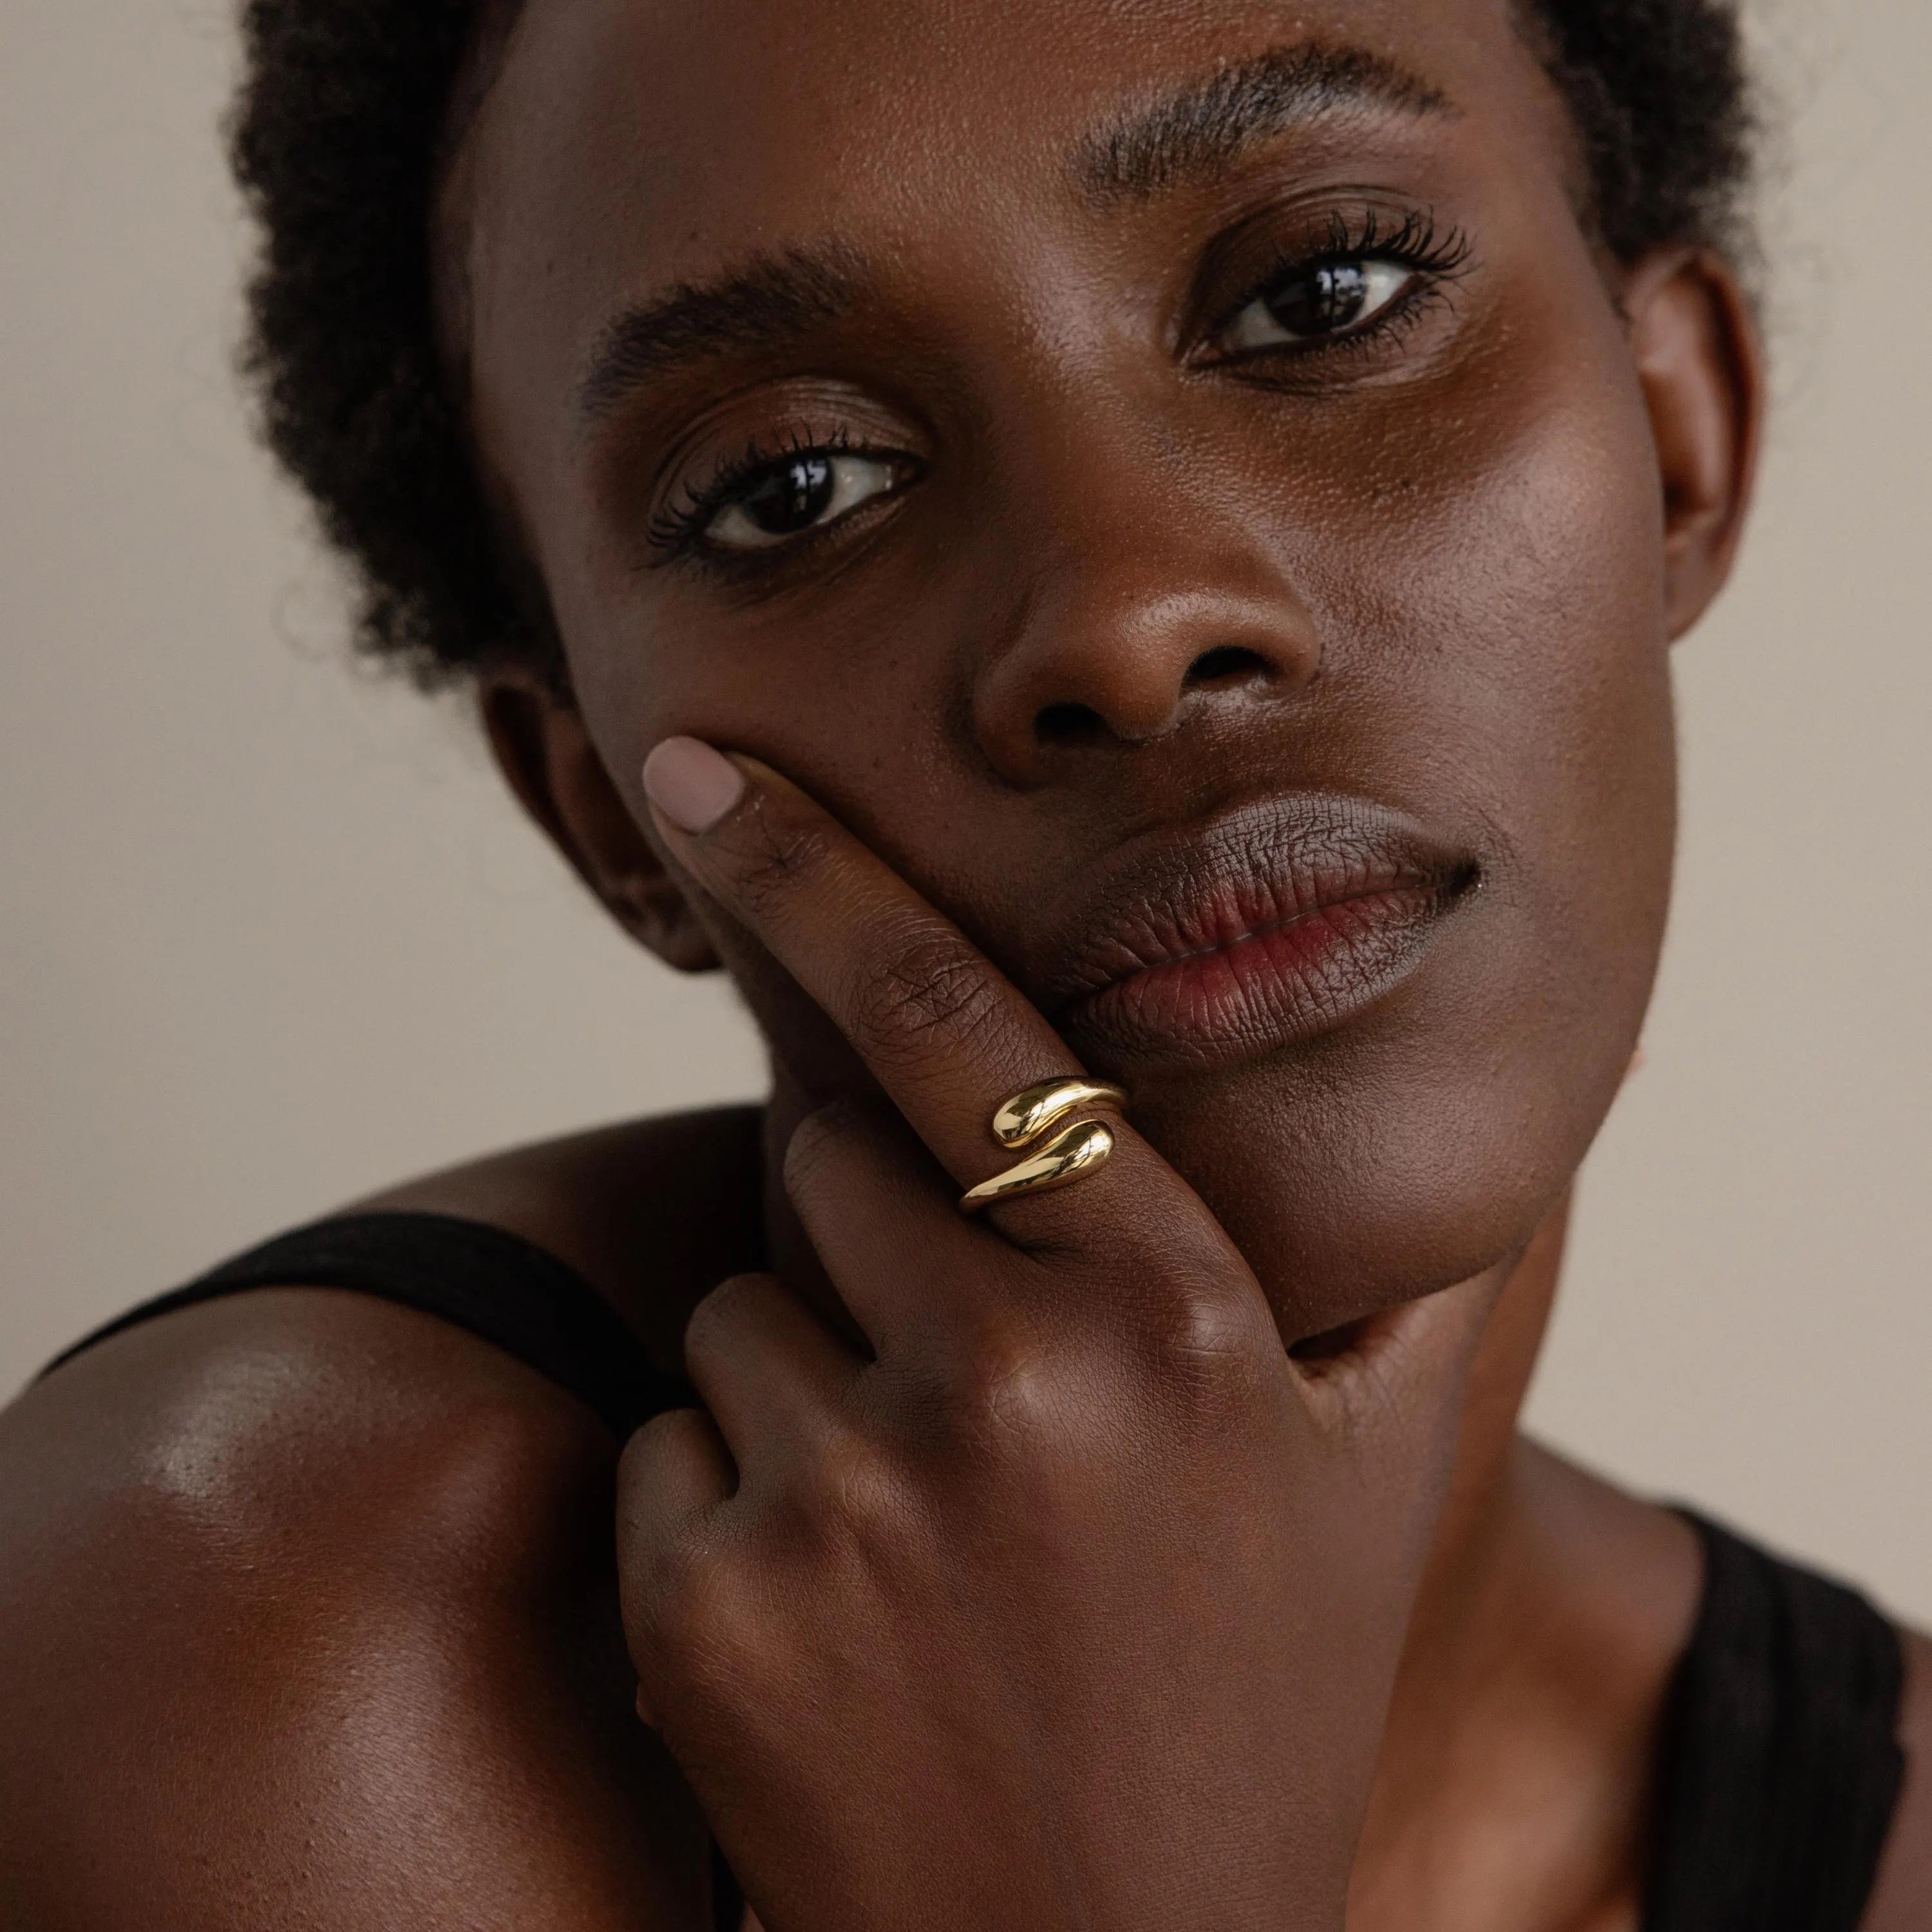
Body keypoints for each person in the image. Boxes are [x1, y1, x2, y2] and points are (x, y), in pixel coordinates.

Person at [1, 0, 1926, 1925]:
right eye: (797, 489)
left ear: (1680, 434)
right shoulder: (267, 1652)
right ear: (608, 818)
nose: (1127, 618)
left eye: (1322, 295)